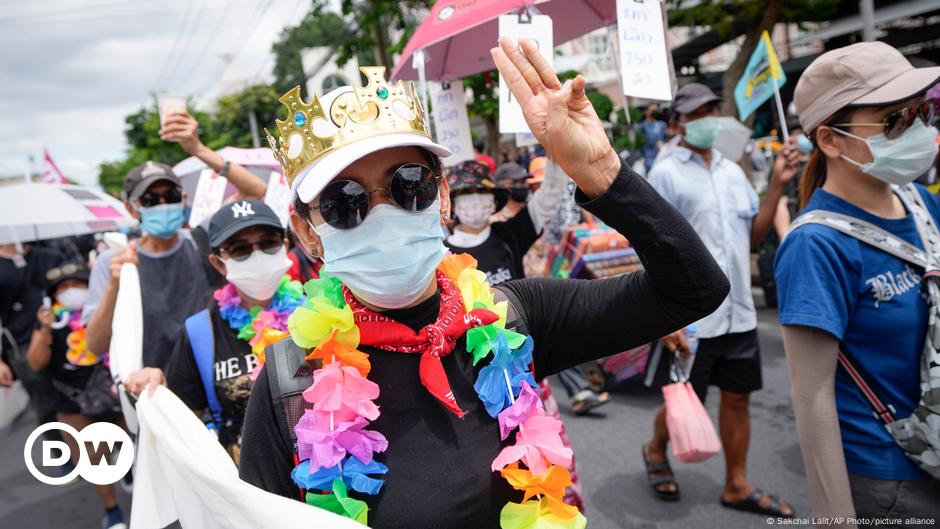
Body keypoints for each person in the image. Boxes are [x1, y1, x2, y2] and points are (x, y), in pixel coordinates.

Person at [236, 39, 729, 529]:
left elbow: (693, 289)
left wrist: (603, 173)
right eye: (345, 202)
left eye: (410, 184)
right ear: (306, 232)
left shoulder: (512, 318)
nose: (383, 214)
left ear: (442, 195)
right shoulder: (291, 381)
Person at [776, 41, 940, 526]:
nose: (918, 131)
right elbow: (812, 397)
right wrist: (836, 519)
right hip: (890, 484)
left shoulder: (920, 204)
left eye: (922, 112)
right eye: (893, 121)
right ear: (830, 140)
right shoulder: (816, 245)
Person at [644, 82, 799, 516]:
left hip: (740, 311)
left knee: (737, 397)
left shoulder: (732, 170)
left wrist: (775, 188)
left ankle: (736, 484)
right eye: (697, 114)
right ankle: (656, 447)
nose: (708, 119)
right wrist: (665, 314)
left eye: (713, 110)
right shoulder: (666, 172)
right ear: (676, 123)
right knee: (686, 398)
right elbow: (653, 246)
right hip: (693, 315)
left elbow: (751, 236)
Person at [124, 200, 304, 464]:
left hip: (325, 484)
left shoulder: (319, 312)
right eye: (240, 249)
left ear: (285, 246)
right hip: (245, 485)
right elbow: (182, 419)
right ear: (219, 263)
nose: (257, 255)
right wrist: (156, 386)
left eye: (268, 243)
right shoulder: (199, 332)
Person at [85, 112, 267, 369]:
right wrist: (115, 285)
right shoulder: (112, 263)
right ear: (131, 207)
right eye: (150, 200)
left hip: (211, 380)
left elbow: (255, 191)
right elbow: (95, 345)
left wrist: (198, 149)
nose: (163, 205)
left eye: (170, 196)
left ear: (182, 199)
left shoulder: (199, 240)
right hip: (152, 392)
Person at [26, 263, 126, 529]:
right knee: (94, 460)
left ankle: (129, 471)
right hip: (74, 404)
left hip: (117, 394)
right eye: (62, 288)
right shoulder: (50, 322)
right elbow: (35, 364)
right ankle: (113, 511)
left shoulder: (105, 310)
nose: (69, 291)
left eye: (76, 284)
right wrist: (44, 329)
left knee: (131, 444)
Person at [0, 242, 64, 433]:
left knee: (72, 397)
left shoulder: (50, 256)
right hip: (21, 344)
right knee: (45, 404)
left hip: (62, 336)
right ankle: (63, 456)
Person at [637, 103, 668, 171]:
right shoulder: (641, 127)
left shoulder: (662, 125)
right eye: (652, 110)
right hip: (648, 160)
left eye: (656, 110)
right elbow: (638, 145)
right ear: (646, 111)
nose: (655, 112)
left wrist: (664, 144)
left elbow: (667, 139)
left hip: (662, 158)